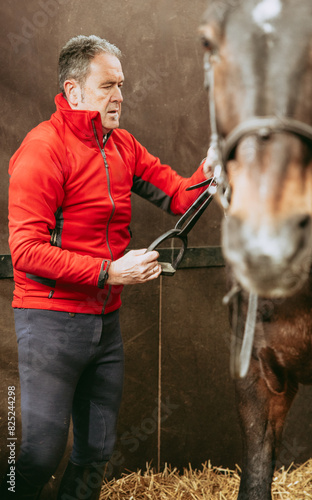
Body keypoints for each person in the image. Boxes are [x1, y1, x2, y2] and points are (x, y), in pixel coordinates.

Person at [2, 35, 209, 499]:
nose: (119, 96)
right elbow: (26, 252)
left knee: (95, 454)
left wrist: (211, 171)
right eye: (107, 86)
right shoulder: (43, 150)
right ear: (74, 92)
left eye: (122, 85)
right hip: (50, 323)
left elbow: (179, 197)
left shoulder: (123, 146)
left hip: (105, 323)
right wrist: (109, 272)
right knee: (34, 456)